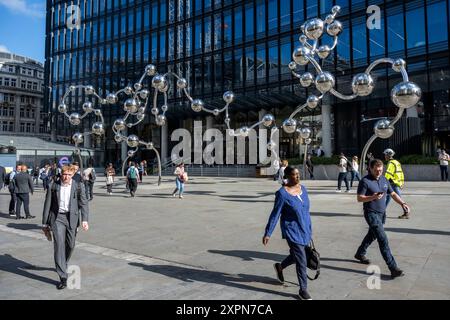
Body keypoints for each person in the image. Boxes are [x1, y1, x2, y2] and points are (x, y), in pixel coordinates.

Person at [263, 166, 313, 300]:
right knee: (301, 260)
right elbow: (275, 214)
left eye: (298, 174)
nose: (297, 177)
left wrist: (309, 229)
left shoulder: (304, 189)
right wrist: (268, 232)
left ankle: (280, 266)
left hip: (304, 229)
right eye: (294, 175)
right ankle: (303, 289)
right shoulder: (282, 194)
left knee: (296, 256)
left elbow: (305, 211)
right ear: (287, 176)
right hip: (292, 231)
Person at [354, 159, 409, 279]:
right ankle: (393, 268)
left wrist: (402, 203)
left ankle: (360, 253)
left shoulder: (384, 179)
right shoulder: (365, 181)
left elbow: (393, 193)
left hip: (382, 214)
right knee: (382, 239)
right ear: (371, 168)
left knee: (372, 235)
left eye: (380, 170)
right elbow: (359, 198)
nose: (379, 172)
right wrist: (372, 197)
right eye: (376, 170)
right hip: (371, 213)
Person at [42, 165, 89, 290]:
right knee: (59, 245)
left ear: (72, 174)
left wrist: (84, 219)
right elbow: (47, 204)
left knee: (71, 244)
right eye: (64, 174)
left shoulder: (78, 186)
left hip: (72, 218)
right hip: (57, 218)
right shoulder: (53, 185)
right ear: (61, 174)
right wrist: (44, 223)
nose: (66, 177)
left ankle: (64, 262)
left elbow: (83, 203)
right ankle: (62, 276)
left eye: (68, 175)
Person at [383, 149, 407, 219]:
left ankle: (406, 211)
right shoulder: (396, 162)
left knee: (398, 198)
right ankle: (382, 211)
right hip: (396, 182)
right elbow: (401, 173)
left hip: (392, 182)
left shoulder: (390, 163)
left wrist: (383, 181)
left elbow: (388, 173)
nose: (384, 156)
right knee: (388, 196)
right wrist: (402, 182)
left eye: (385, 154)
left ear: (388, 155)